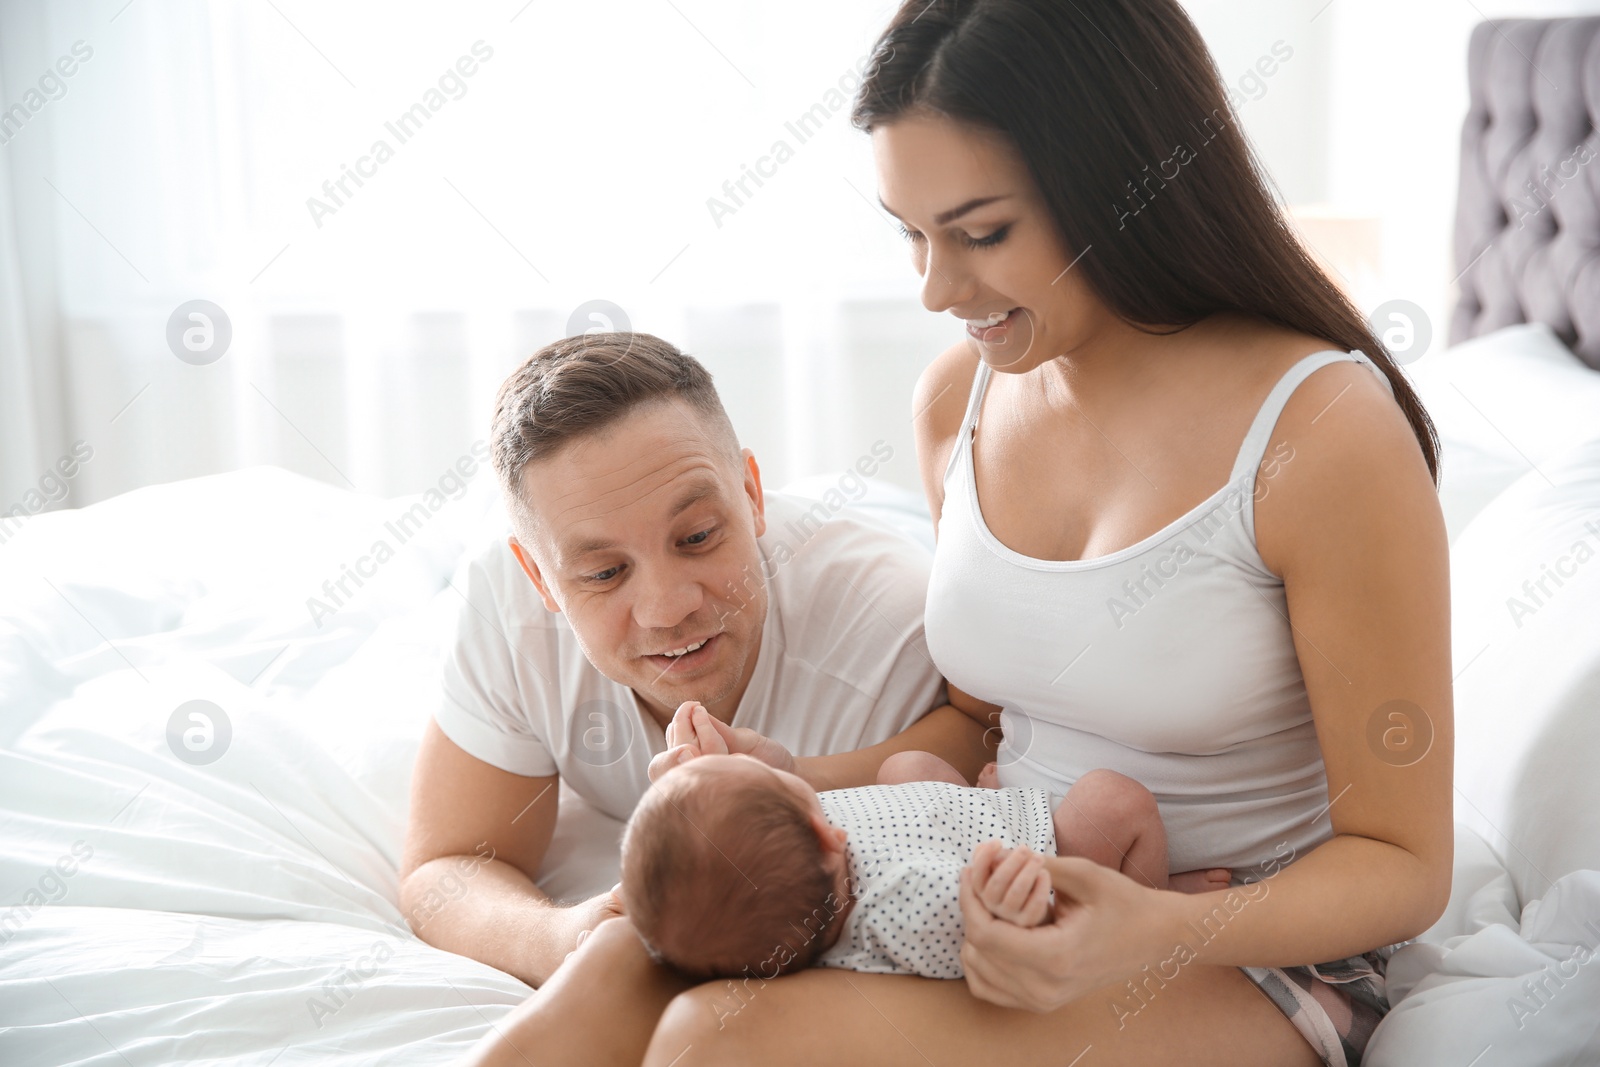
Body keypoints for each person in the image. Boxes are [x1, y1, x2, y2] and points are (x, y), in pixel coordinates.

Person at [462, 1, 1454, 1065]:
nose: (937, 289)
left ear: (1121, 185)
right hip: (986, 884)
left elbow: (1402, 859)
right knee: (623, 954)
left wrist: (1150, 924)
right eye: (911, 234)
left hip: (1240, 946)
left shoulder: (1323, 431)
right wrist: (793, 780)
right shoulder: (961, 400)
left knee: (720, 1038)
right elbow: (979, 722)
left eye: (980, 234)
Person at [399, 330, 998, 991]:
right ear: (540, 578)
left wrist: (792, 778)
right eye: (603, 573)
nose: (667, 607)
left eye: (696, 537)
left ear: (751, 493)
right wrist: (565, 937)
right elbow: (445, 865)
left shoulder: (893, 613)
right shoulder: (504, 610)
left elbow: (983, 733)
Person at [620, 703, 1234, 984]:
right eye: (772, 780)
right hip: (1055, 862)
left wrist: (761, 768)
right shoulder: (911, 904)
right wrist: (1018, 895)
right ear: (823, 833)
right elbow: (1006, 933)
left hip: (957, 823)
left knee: (904, 768)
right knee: (1113, 801)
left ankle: (979, 802)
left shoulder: (798, 853)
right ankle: (1149, 898)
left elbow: (792, 800)